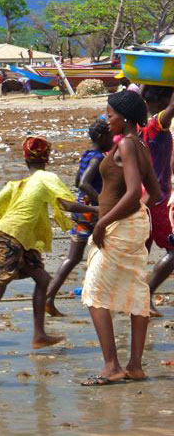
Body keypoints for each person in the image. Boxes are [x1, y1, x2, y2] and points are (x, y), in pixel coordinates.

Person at [0, 136, 89, 359]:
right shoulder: (46, 177)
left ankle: (39, 335)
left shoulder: (17, 184)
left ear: (25, 159)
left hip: (19, 239)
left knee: (43, 279)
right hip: (11, 236)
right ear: (47, 158)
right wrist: (98, 210)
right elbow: (67, 204)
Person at [81, 91, 160, 384]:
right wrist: (137, 212)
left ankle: (112, 365)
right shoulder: (140, 145)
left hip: (119, 228)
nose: (107, 119)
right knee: (136, 290)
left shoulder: (127, 144)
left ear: (124, 117)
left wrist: (104, 222)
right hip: (132, 226)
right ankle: (135, 366)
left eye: (110, 114)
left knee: (93, 291)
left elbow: (131, 192)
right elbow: (154, 192)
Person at [46, 119, 113, 317]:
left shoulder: (87, 154)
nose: (113, 139)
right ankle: (105, 299)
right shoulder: (98, 157)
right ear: (101, 137)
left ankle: (49, 297)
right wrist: (101, 202)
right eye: (110, 136)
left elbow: (77, 181)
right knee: (108, 253)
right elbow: (84, 183)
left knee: (73, 257)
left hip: (80, 210)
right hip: (92, 212)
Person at [138, 86, 174, 316]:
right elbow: (171, 108)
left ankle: (138, 300)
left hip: (143, 197)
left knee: (142, 252)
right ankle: (146, 294)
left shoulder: (137, 125)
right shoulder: (154, 125)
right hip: (157, 200)